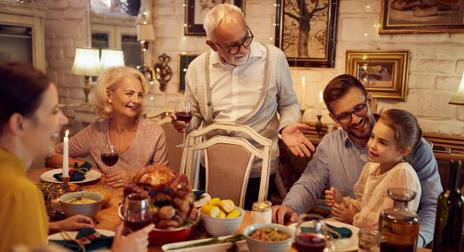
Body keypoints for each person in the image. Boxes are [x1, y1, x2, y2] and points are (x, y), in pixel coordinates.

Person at [0, 63, 153, 251]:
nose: (63, 119)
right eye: (54, 111)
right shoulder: (20, 193)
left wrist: (54, 226)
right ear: (18, 124)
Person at [171, 3, 314, 209]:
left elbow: (289, 104)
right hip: (212, 167)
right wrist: (185, 125)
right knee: (210, 222)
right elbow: (195, 118)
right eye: (232, 45)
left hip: (259, 168)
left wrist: (286, 127)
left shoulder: (274, 59)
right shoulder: (196, 69)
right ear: (212, 45)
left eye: (245, 38)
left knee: (250, 227)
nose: (243, 49)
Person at [272, 74, 442, 247]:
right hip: (343, 242)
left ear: (369, 100)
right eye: (344, 115)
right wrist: (290, 207)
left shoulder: (413, 145)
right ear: (333, 118)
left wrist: (413, 243)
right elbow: (309, 184)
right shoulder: (330, 144)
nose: (356, 119)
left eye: (359, 108)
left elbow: (433, 205)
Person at [46, 66, 169, 188]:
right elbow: (51, 156)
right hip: (104, 201)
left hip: (140, 203)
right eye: (129, 93)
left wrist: (134, 177)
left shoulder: (154, 132)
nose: (136, 100)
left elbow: (166, 178)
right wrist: (86, 167)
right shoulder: (95, 132)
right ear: (109, 95)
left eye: (140, 95)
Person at [324, 109, 422, 229]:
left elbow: (393, 224)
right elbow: (365, 207)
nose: (372, 145)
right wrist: (343, 202)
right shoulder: (371, 167)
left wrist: (353, 218)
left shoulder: (403, 174)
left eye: (382, 142)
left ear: (403, 151)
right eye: (372, 137)